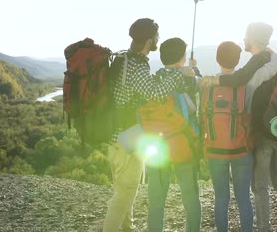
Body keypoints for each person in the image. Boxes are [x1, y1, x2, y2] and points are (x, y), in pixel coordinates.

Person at [200, 22, 277, 232]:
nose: (244, 39)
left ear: (253, 39)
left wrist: (213, 80)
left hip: (263, 133)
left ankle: (264, 228)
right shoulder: (273, 59)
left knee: (259, 186)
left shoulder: (258, 62)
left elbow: (239, 78)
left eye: (246, 36)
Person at [103, 19, 194, 232]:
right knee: (124, 196)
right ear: (149, 40)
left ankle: (128, 228)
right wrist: (179, 74)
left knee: (125, 191)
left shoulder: (124, 59)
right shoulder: (136, 64)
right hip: (126, 139)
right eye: (157, 36)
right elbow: (156, 93)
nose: (158, 39)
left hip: (115, 138)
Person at [145, 37, 202, 232]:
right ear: (182, 58)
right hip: (184, 144)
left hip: (158, 144)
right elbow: (199, 87)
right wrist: (195, 71)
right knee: (190, 197)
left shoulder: (155, 79)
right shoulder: (187, 78)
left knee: (156, 201)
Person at [207, 41, 254, 232]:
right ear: (238, 60)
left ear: (217, 59)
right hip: (241, 149)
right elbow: (250, 115)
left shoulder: (207, 86)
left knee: (221, 197)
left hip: (214, 148)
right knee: (243, 197)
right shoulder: (246, 86)